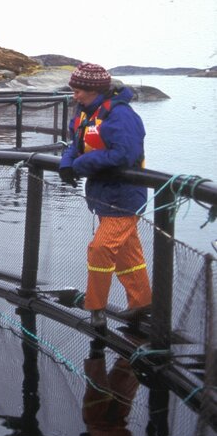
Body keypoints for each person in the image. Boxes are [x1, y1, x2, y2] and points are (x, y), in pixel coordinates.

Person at [59, 63, 152, 331]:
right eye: (73, 90)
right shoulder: (85, 113)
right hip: (102, 195)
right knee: (126, 251)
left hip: (125, 197)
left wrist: (80, 165)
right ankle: (142, 302)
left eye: (78, 91)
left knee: (100, 249)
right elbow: (74, 144)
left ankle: (95, 307)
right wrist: (67, 163)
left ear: (94, 90)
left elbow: (124, 154)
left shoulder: (121, 116)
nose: (74, 96)